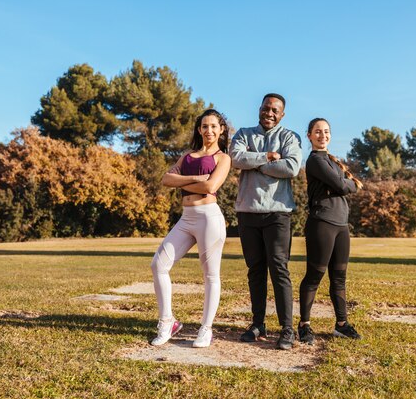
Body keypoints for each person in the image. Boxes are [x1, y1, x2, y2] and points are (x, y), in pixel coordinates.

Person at [150, 109, 231, 348]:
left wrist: (186, 181)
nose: (209, 130)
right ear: (199, 129)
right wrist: (196, 179)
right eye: (204, 126)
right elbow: (166, 180)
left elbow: (212, 185)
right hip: (186, 218)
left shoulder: (222, 158)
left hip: (209, 218)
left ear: (221, 130)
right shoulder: (187, 156)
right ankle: (168, 322)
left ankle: (206, 329)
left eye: (214, 126)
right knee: (159, 265)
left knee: (210, 275)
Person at [229, 93, 302, 350]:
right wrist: (268, 157)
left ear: (282, 114)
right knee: (255, 271)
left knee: (279, 270)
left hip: (278, 213)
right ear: (259, 109)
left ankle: (287, 329)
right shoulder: (243, 134)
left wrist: (255, 162)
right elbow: (236, 159)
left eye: (274, 110)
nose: (269, 113)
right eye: (265, 108)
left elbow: (291, 167)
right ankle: (258, 324)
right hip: (247, 212)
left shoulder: (290, 137)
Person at [297, 118, 363, 345]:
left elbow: (344, 183)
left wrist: (347, 183)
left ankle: (341, 325)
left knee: (340, 277)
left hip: (342, 225)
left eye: (326, 132)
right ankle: (304, 325)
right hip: (322, 223)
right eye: (317, 132)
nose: (322, 135)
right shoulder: (315, 160)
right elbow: (345, 185)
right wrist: (349, 183)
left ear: (330, 135)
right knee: (315, 275)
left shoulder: (333, 161)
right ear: (309, 136)